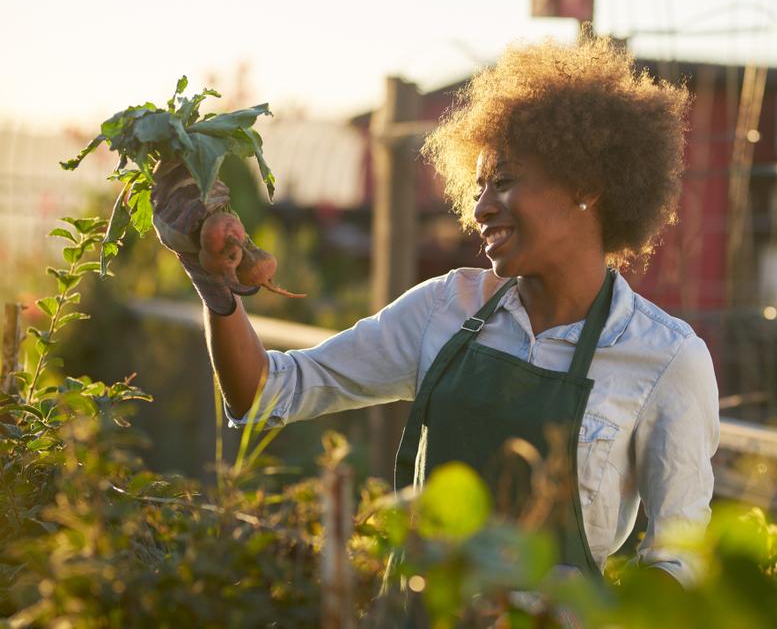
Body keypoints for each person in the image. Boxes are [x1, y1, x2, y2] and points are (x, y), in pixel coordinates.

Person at [152, 34, 719, 591]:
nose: (479, 208)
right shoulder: (445, 308)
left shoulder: (667, 358)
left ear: (587, 186)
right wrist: (213, 282)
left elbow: (678, 563)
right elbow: (265, 393)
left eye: (503, 181)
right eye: (475, 187)